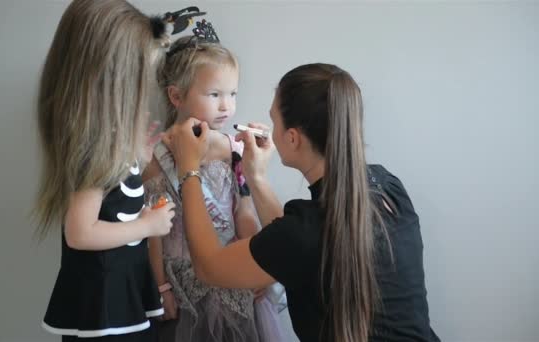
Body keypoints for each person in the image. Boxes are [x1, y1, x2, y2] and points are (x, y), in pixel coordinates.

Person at [163, 63, 441, 341]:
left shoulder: (303, 231)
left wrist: (189, 168)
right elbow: (299, 247)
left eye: (274, 122)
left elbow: (209, 267)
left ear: (293, 138)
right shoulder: (388, 186)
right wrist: (256, 177)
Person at [32, 0, 195, 340]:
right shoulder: (93, 144)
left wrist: (137, 156)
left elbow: (110, 200)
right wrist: (146, 225)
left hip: (122, 284)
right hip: (105, 299)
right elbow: (81, 233)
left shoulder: (105, 138)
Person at [142, 21, 285, 342]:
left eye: (232, 93)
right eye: (215, 94)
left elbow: (244, 211)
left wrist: (256, 261)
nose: (227, 105)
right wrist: (161, 286)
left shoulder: (234, 149)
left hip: (233, 278)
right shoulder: (156, 155)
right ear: (176, 96)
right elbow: (152, 232)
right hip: (182, 287)